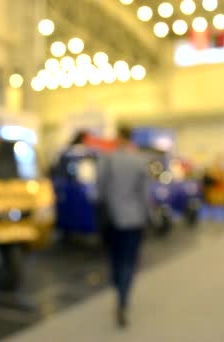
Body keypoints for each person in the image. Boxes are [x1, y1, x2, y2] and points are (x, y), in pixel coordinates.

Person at [97, 125, 151, 328]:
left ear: (117, 137)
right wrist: (148, 217)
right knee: (129, 261)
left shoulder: (107, 160)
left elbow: (99, 192)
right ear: (131, 139)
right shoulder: (139, 161)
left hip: (112, 219)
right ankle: (123, 300)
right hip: (134, 220)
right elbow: (145, 195)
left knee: (115, 258)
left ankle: (118, 287)